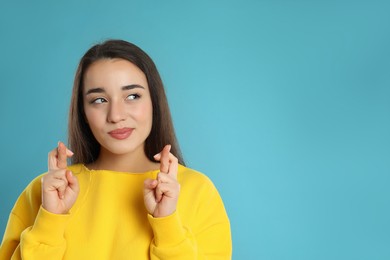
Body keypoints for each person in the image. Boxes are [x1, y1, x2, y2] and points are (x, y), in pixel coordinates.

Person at [0, 39, 232, 259]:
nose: (116, 115)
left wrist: (167, 223)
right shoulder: (43, 193)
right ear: (83, 112)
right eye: (99, 100)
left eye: (132, 96)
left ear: (154, 102)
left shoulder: (197, 192)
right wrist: (50, 220)